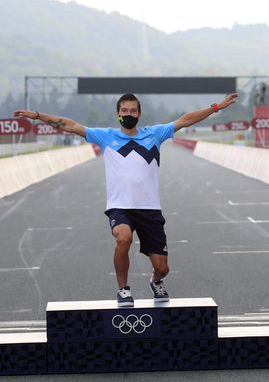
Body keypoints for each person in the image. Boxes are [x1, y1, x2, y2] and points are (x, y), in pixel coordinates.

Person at [14, 92, 238, 306]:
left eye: (133, 110)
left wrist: (216, 107)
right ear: (117, 113)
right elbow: (69, 125)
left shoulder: (155, 134)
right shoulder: (105, 136)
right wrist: (36, 116)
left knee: (162, 267)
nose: (128, 114)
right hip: (119, 207)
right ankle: (123, 289)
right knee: (123, 238)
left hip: (149, 209)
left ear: (139, 114)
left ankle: (156, 281)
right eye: (124, 110)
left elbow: (185, 120)